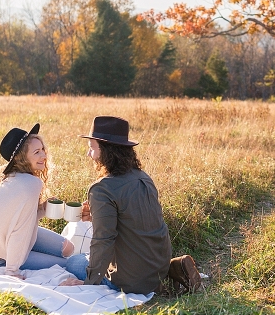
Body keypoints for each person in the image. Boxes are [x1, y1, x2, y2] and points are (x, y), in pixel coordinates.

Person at [78, 115, 202, 295]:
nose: (88, 154)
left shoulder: (101, 188)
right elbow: (135, 222)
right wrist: (97, 215)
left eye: (91, 148)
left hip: (130, 281)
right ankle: (170, 270)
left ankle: (143, 278)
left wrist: (88, 284)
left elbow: (103, 240)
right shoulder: (143, 177)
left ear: (106, 151)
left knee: (74, 261)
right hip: (158, 267)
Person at [0, 123, 86, 285]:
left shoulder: (10, 176)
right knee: (67, 265)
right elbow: (20, 229)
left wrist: (42, 209)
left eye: (43, 149)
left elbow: (17, 218)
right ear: (22, 158)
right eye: (37, 152)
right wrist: (12, 270)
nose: (44, 155)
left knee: (68, 249)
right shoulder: (31, 183)